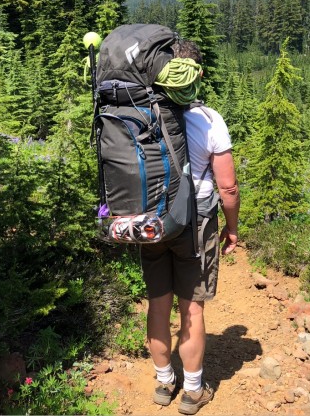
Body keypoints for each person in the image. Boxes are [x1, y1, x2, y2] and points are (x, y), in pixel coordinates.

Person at [139, 39, 240, 415]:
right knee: (192, 309)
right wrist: (232, 229)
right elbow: (227, 187)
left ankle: (165, 382)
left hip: (152, 222)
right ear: (196, 76)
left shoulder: (143, 113)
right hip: (195, 224)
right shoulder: (209, 120)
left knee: (158, 303)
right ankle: (193, 391)